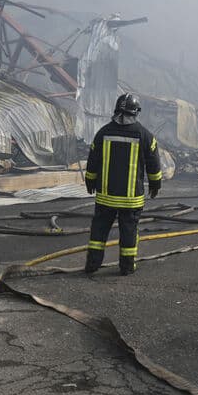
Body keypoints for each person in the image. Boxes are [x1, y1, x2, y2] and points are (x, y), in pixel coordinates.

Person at [82, 93, 162, 275]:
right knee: (129, 233)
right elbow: (154, 163)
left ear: (116, 110)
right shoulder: (146, 136)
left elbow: (93, 159)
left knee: (99, 232)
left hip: (105, 197)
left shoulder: (103, 133)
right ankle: (126, 266)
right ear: (136, 112)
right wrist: (155, 183)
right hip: (131, 199)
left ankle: (92, 265)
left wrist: (90, 179)